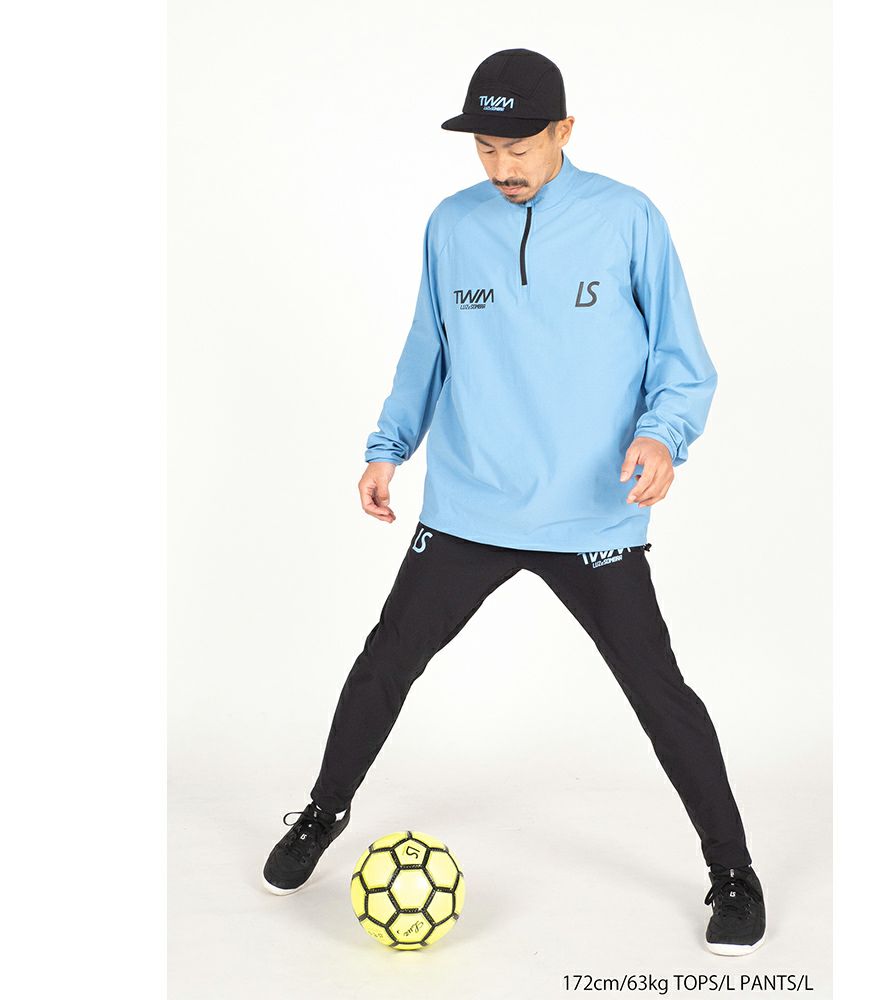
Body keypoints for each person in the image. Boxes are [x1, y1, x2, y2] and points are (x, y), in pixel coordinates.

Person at [262, 47, 765, 956]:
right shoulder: (452, 225)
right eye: (486, 148)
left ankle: (732, 871)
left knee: (658, 691)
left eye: (520, 146)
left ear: (564, 131)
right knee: (385, 662)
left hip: (592, 512)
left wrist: (663, 436)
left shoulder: (627, 219)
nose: (503, 167)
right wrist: (387, 448)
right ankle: (323, 812)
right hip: (470, 505)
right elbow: (428, 349)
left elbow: (682, 360)